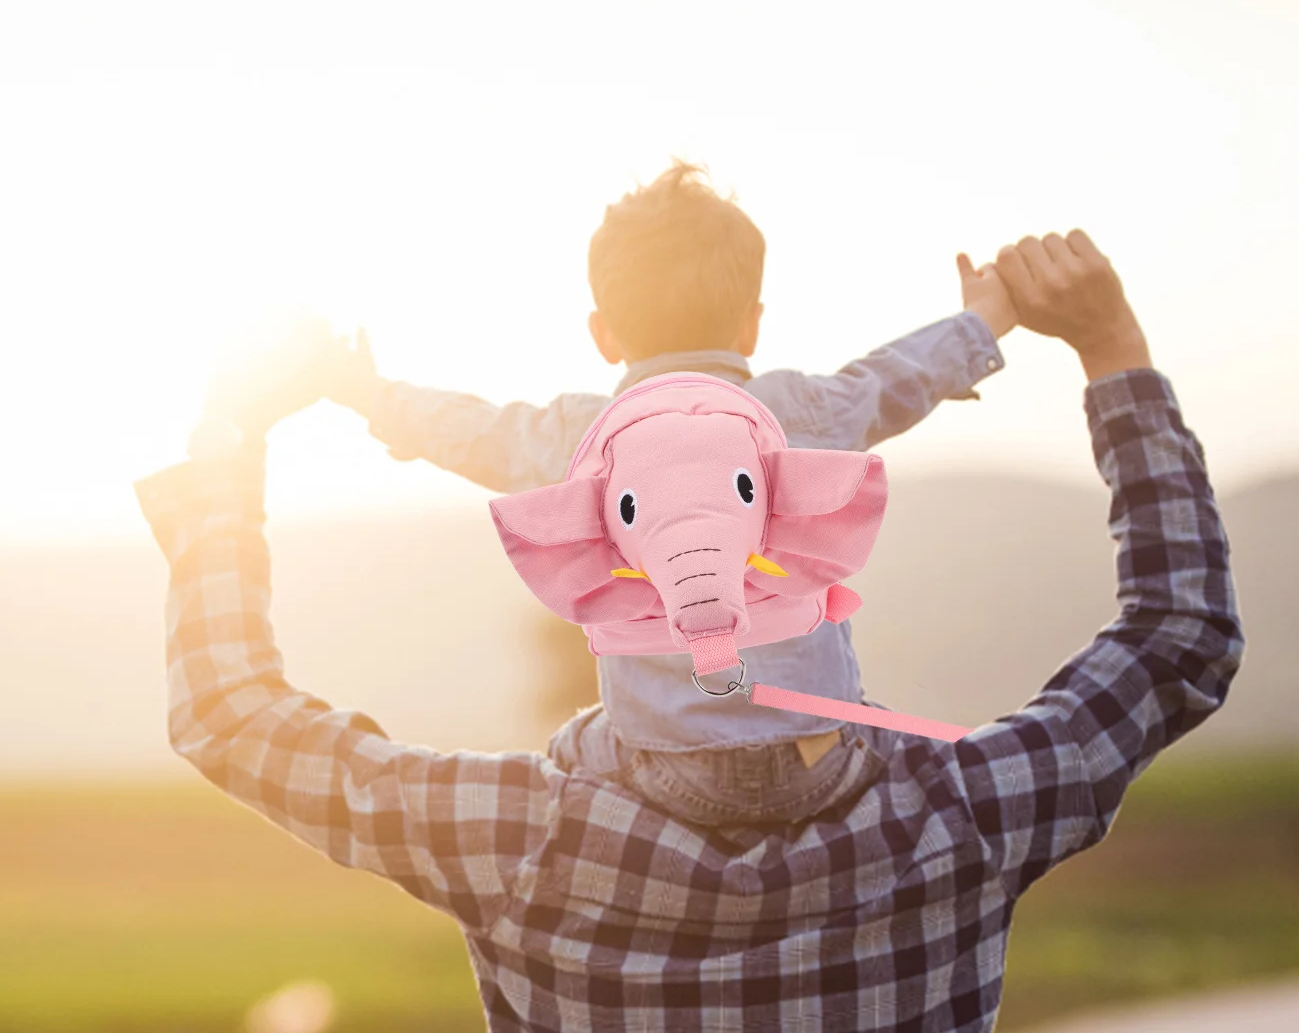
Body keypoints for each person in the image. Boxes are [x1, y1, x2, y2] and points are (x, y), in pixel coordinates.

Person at [136, 229, 1242, 1033]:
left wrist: (228, 444)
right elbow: (1177, 639)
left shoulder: (525, 842)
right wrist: (1111, 351)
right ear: (819, 538)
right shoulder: (957, 819)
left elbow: (232, 715)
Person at [313, 161, 1015, 822]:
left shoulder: (581, 439)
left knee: (571, 745)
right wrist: (980, 321)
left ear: (603, 334)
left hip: (664, 775)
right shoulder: (798, 414)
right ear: (751, 323)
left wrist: (371, 396)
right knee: (871, 717)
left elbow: (474, 430)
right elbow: (893, 378)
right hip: (816, 763)